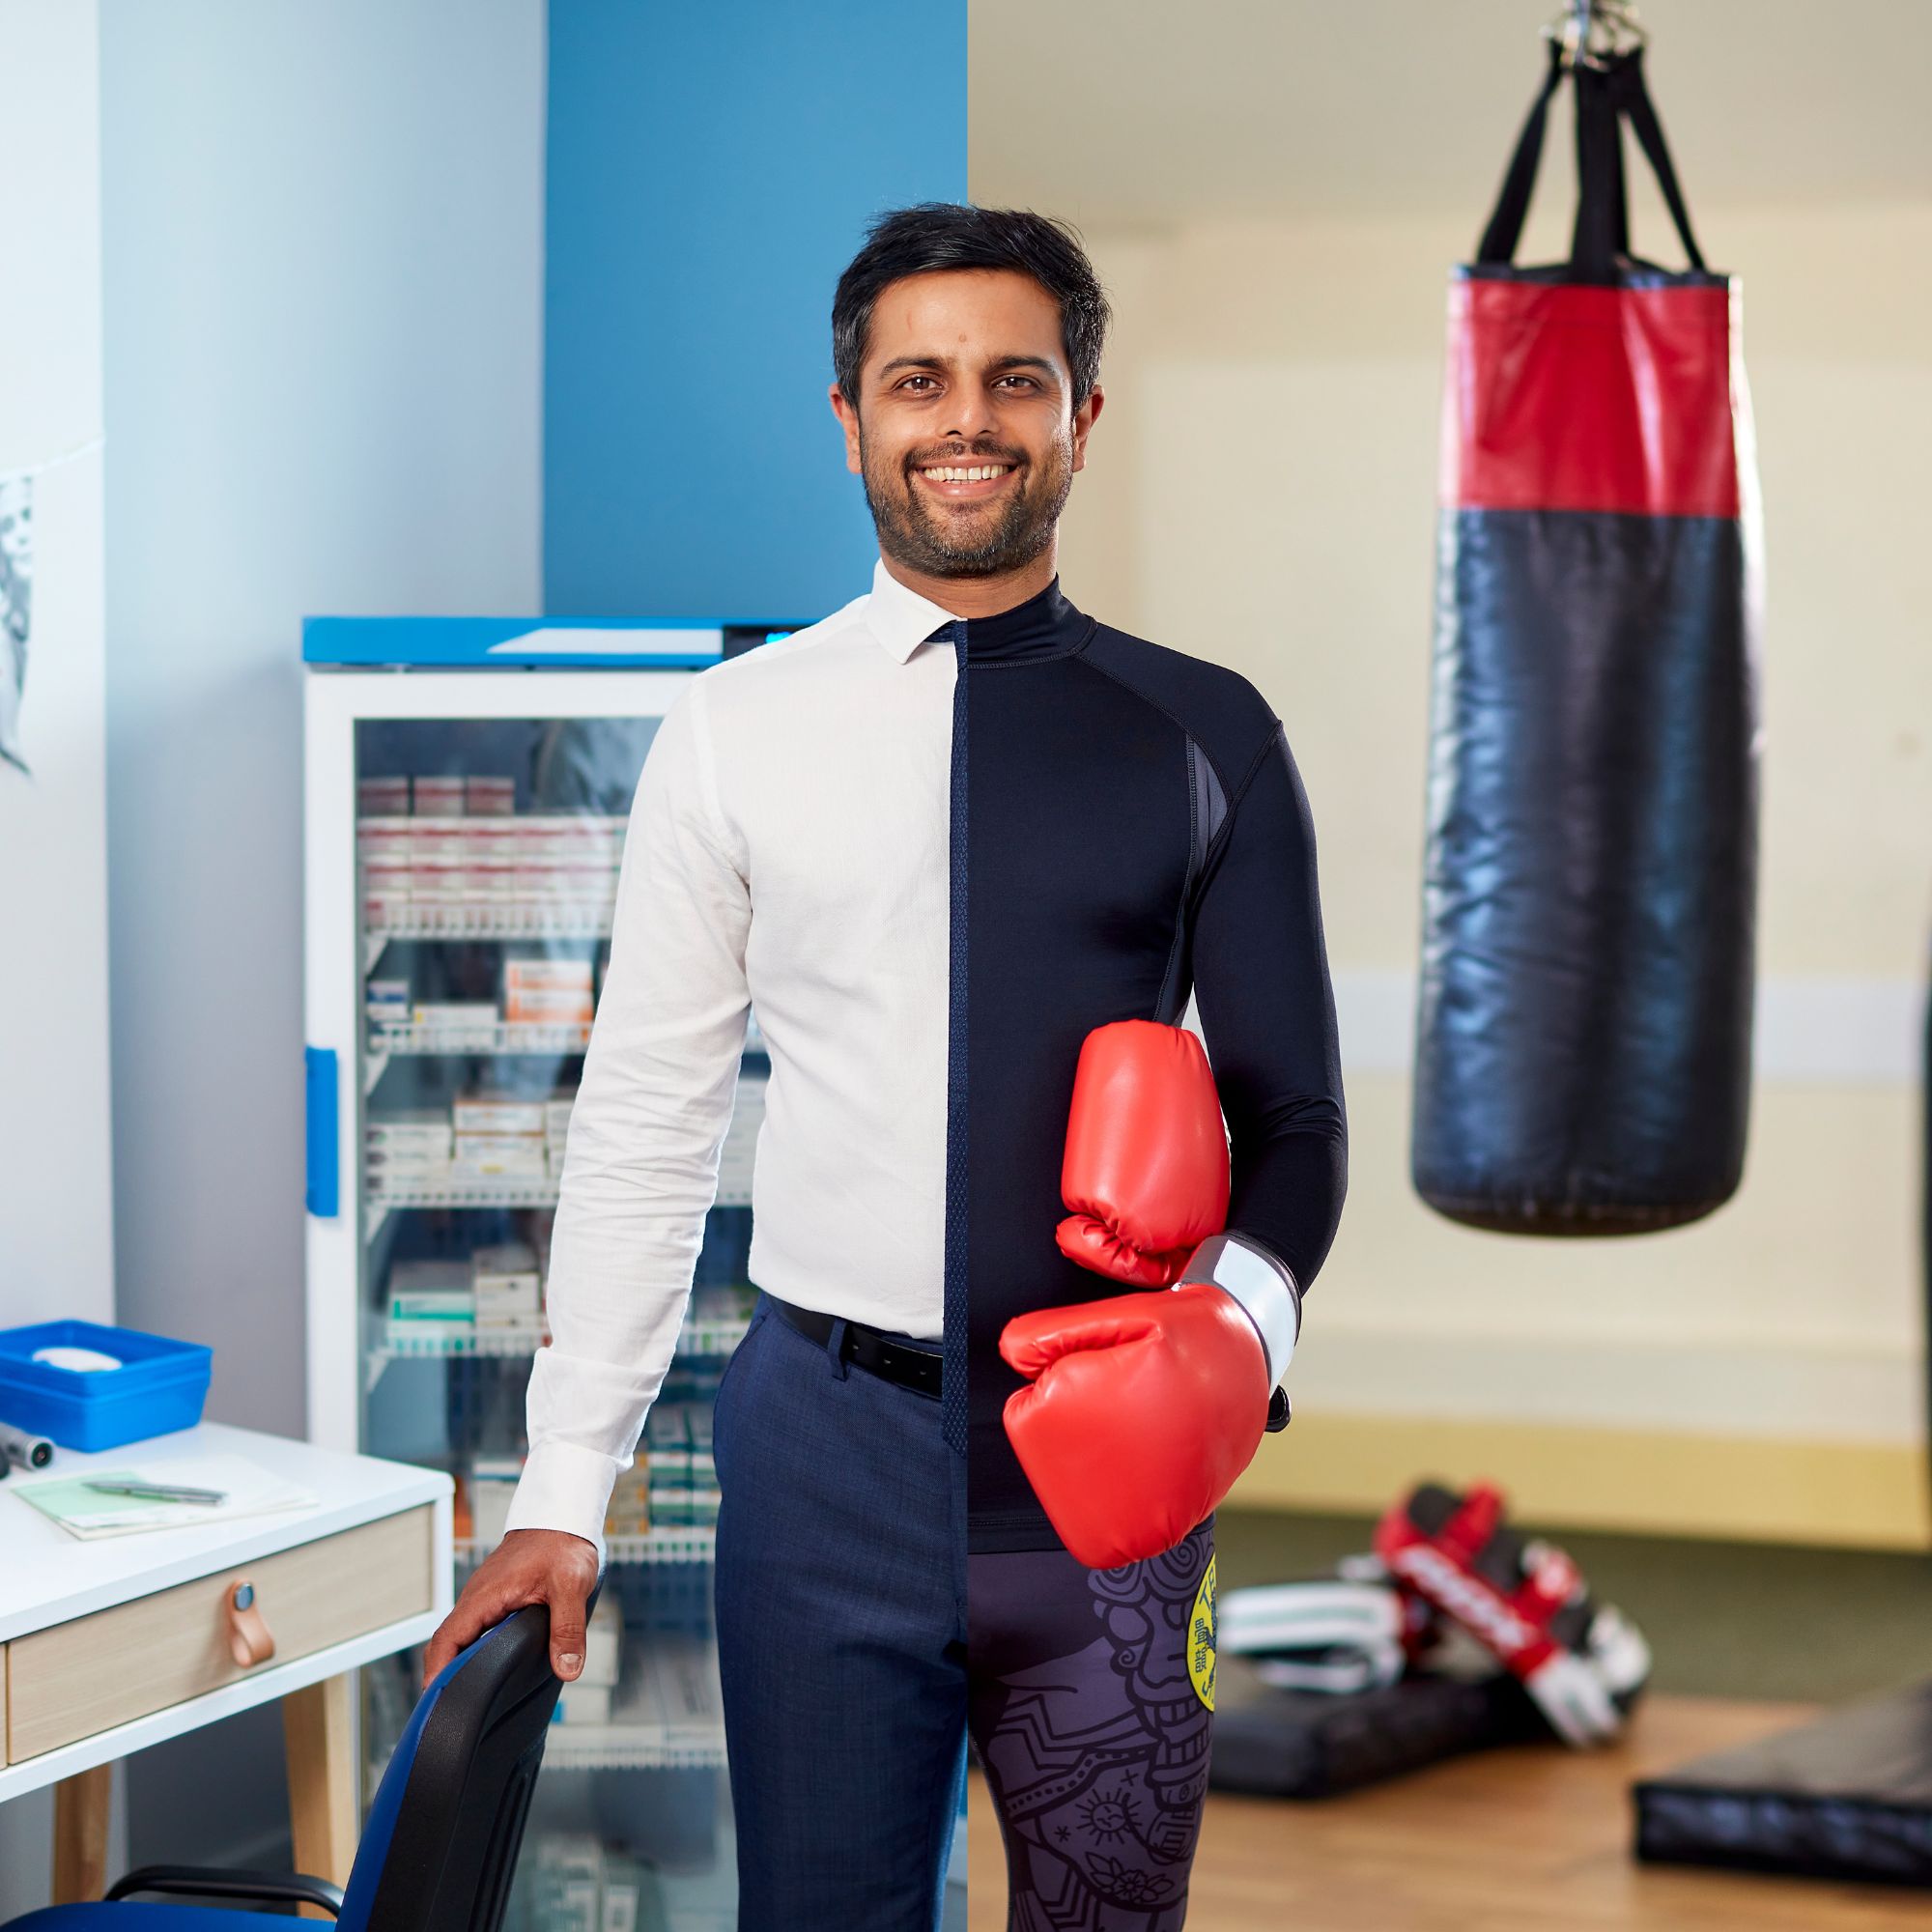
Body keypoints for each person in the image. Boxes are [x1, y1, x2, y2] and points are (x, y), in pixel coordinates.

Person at [424, 201, 1348, 1930]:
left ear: (1084, 413)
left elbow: (1294, 1115)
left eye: (1016, 377)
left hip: (1113, 1459)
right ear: (850, 418)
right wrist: (564, 1489)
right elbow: (642, 1126)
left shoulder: (1207, 731)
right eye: (916, 380)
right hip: (822, 1453)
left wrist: (1237, 1330)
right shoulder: (737, 731)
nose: (966, 418)